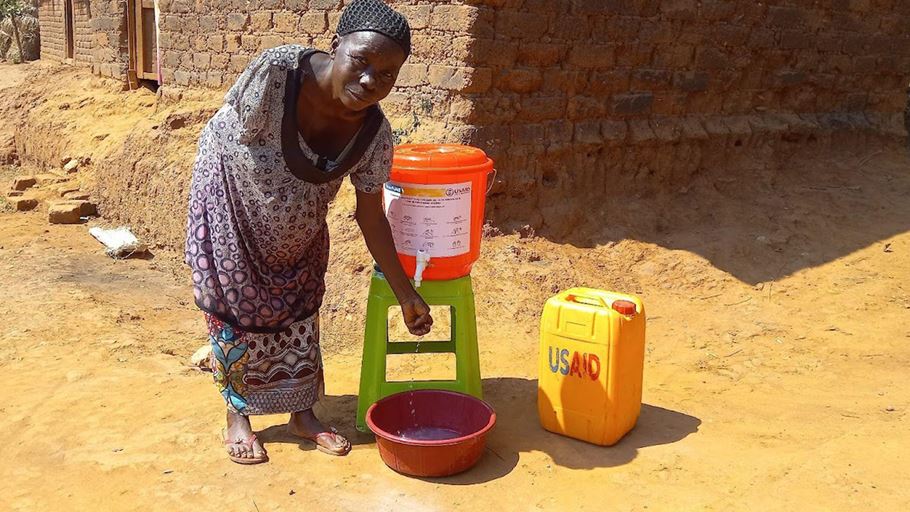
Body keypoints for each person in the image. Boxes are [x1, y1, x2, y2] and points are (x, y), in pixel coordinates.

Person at [184, 0, 432, 464]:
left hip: (299, 231)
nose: (369, 81)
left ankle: (303, 414)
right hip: (231, 209)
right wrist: (262, 213)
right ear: (336, 45)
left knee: (300, 308)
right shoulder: (279, 73)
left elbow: (370, 214)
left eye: (386, 74)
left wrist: (406, 293)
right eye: (361, 61)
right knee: (236, 312)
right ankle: (237, 416)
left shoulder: (375, 135)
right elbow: (231, 143)